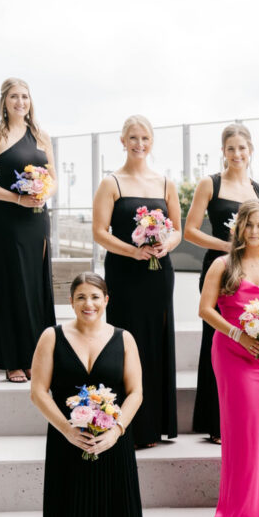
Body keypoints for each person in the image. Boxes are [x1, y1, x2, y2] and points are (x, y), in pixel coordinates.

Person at [29, 272, 151, 517]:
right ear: (71, 301)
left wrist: (116, 431)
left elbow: (136, 393)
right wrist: (67, 429)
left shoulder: (124, 338)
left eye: (95, 297)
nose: (89, 304)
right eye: (81, 297)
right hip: (68, 446)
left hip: (114, 447)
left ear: (107, 300)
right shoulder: (51, 337)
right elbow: (38, 392)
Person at [199, 200, 259, 517]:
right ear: (239, 227)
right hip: (232, 354)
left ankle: (258, 504)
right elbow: (206, 310)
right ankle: (240, 508)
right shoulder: (223, 265)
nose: (254, 231)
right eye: (248, 225)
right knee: (240, 433)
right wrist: (240, 335)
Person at [92, 115, 181, 449]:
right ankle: (128, 425)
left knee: (156, 341)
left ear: (152, 141)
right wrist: (133, 251)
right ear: (122, 140)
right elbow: (100, 232)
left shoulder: (165, 183)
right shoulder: (111, 183)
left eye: (145, 138)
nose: (139, 144)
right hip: (125, 272)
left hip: (159, 273)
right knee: (126, 341)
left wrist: (165, 245)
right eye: (133, 137)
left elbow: (176, 230)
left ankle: (155, 424)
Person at [185, 123, 259, 444]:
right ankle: (214, 421)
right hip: (219, 269)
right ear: (223, 151)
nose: (237, 154)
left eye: (242, 148)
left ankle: (241, 414)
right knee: (218, 337)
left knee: (247, 337)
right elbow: (190, 231)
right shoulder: (210, 184)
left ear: (250, 152)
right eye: (231, 148)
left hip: (252, 273)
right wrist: (227, 246)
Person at [0, 77, 56, 384]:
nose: (20, 102)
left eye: (25, 96)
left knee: (37, 286)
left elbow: (54, 177)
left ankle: (37, 356)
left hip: (38, 219)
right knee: (14, 286)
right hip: (9, 219)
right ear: (4, 102)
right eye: (14, 97)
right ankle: (13, 360)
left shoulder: (42, 135)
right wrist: (17, 198)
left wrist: (44, 193)